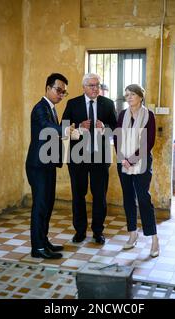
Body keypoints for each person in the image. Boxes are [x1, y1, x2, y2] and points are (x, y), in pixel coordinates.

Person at [62, 73, 117, 245]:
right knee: (78, 195)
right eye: (92, 85)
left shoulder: (108, 104)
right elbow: (63, 128)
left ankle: (98, 232)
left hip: (100, 158)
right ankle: (80, 231)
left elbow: (116, 129)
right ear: (84, 87)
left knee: (99, 196)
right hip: (78, 158)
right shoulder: (73, 103)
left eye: (97, 85)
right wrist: (78, 127)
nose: (95, 88)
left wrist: (105, 126)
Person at [25, 73, 74, 259]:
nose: (61, 95)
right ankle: (37, 248)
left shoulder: (51, 108)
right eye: (58, 90)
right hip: (38, 166)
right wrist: (65, 130)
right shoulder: (40, 108)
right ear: (47, 88)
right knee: (40, 206)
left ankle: (43, 241)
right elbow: (46, 126)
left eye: (64, 92)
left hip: (48, 164)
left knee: (47, 205)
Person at [115, 84, 159, 258]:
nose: (129, 97)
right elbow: (117, 137)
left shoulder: (149, 115)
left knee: (143, 199)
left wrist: (131, 159)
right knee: (127, 197)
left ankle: (154, 239)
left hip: (141, 163)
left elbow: (148, 142)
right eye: (126, 95)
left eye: (132, 94)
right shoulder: (122, 115)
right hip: (123, 163)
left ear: (141, 96)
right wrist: (122, 159)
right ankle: (132, 234)